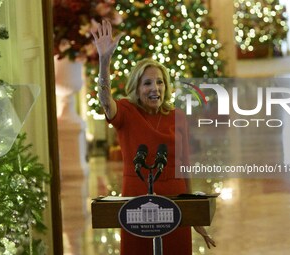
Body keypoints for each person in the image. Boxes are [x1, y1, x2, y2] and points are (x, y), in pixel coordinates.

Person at [91, 20, 215, 255]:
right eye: (147, 83)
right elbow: (105, 100)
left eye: (159, 82)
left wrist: (193, 215)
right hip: (136, 199)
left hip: (174, 201)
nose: (154, 88)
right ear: (136, 88)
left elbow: (184, 167)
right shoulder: (126, 111)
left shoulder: (177, 116)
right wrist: (104, 60)